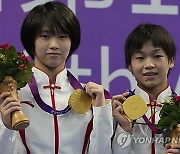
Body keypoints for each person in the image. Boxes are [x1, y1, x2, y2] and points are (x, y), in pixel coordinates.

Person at [0, 1, 113, 154]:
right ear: (31, 41)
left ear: (72, 41)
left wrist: (101, 112)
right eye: (45, 36)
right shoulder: (10, 95)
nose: (54, 44)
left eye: (62, 36)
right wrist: (6, 128)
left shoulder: (91, 96)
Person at [111, 23, 176, 154]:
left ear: (171, 61)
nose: (149, 65)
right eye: (140, 58)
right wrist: (123, 129)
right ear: (130, 65)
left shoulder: (178, 107)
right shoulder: (118, 110)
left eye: (157, 56)